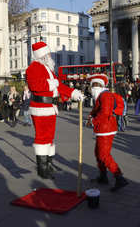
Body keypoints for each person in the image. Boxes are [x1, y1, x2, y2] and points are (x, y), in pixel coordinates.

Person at [26, 41, 83, 180]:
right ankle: (42, 168)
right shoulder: (33, 68)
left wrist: (74, 93)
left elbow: (60, 87)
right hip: (40, 107)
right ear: (42, 55)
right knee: (42, 137)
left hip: (50, 107)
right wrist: (52, 83)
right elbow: (35, 86)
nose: (50, 55)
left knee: (49, 137)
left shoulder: (48, 69)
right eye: (48, 53)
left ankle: (49, 163)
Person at [86, 73, 128, 192]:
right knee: (98, 153)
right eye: (91, 85)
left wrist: (93, 120)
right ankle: (103, 176)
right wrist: (91, 116)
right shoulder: (101, 96)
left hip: (106, 129)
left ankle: (119, 177)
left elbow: (105, 113)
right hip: (103, 128)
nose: (92, 88)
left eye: (93, 85)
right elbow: (97, 110)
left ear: (99, 85)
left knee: (104, 155)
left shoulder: (106, 96)